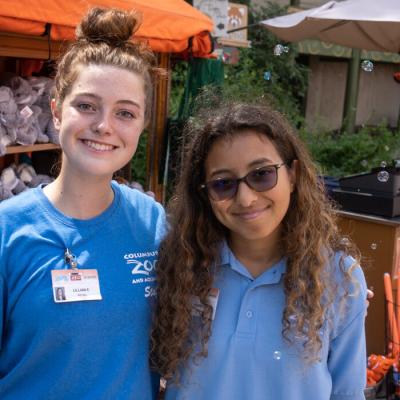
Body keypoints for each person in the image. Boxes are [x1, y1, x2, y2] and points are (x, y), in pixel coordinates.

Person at [0, 7, 165, 399]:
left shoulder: (152, 222)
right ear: (56, 112)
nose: (104, 125)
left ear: (141, 126)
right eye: (87, 105)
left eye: (125, 113)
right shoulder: (7, 232)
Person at [151, 102, 368, 399]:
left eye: (262, 174)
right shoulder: (180, 264)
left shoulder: (340, 277)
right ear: (204, 193)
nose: (246, 198)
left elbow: (347, 393)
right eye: (223, 183)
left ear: (292, 175)